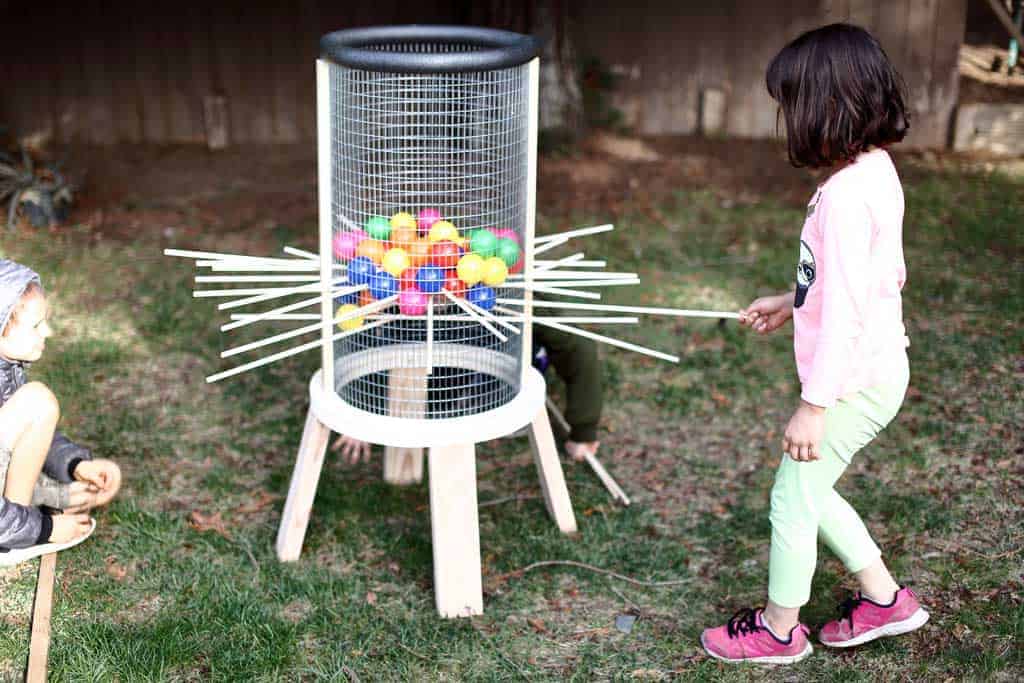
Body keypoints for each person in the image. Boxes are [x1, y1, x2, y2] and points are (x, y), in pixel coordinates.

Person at [699, 24, 928, 664]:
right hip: (875, 369)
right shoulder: (874, 170)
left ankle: (778, 630)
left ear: (829, 104)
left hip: (854, 382)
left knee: (792, 498)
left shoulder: (847, 197)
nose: (787, 120)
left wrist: (814, 404)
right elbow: (858, 280)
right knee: (811, 491)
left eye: (792, 104)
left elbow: (848, 311)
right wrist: (793, 299)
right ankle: (885, 600)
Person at [331, 326, 603, 464]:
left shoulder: (511, 284)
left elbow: (579, 348)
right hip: (438, 378)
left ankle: (495, 394)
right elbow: (362, 343)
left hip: (507, 360)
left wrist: (584, 430)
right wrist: (359, 408)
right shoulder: (398, 287)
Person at [0, 259, 122, 566]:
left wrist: (75, 464)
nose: (48, 331)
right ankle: (11, 541)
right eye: (36, 325)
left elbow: (27, 435)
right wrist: (47, 529)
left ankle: (38, 503)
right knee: (38, 401)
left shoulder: (7, 368)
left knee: (93, 483)